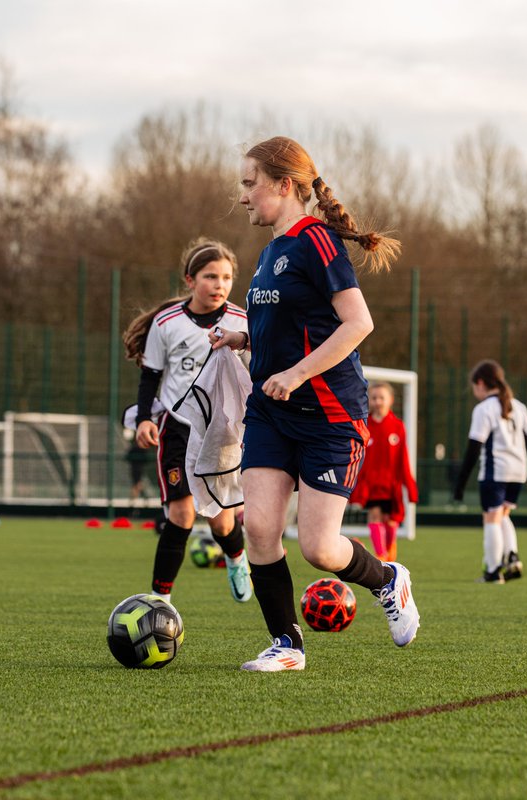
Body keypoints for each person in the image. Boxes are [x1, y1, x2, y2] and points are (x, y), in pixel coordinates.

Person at [211, 135, 420, 672]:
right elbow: (294, 327)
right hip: (271, 413)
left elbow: (358, 323)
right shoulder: (269, 254)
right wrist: (246, 341)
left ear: (284, 186)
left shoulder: (316, 241)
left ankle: (388, 579)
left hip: (329, 416)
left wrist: (298, 374)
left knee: (320, 549)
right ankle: (287, 645)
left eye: (250, 183)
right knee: (258, 528)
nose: (243, 195)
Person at [123, 237, 252, 606]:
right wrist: (145, 419)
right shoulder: (167, 323)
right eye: (211, 276)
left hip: (223, 434)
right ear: (190, 280)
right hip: (178, 427)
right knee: (181, 513)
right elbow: (150, 376)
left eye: (226, 277)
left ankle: (236, 558)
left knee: (221, 523)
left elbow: (253, 374)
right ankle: (158, 600)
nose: (219, 285)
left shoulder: (242, 321)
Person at [451, 360, 527, 583]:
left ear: (480, 383)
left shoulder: (484, 409)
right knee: (503, 514)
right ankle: (512, 557)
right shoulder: (519, 406)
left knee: (492, 519)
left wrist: (460, 483)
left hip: (496, 471)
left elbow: (473, 448)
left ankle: (493, 571)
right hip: (518, 471)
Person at [349, 382, 418, 562]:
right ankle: (380, 555)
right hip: (371, 483)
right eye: (374, 398)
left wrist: (409, 485)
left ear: (390, 400)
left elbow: (403, 457)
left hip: (391, 483)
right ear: (369, 400)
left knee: (390, 519)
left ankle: (389, 553)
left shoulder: (397, 426)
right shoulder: (365, 425)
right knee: (375, 514)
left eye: (382, 398)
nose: (378, 401)